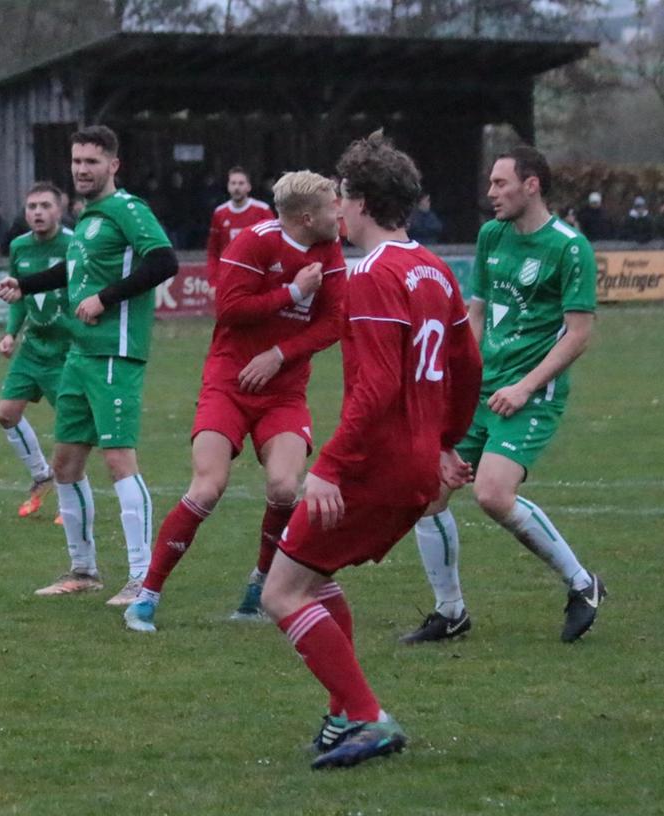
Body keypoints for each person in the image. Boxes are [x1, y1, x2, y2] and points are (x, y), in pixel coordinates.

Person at [259, 133, 482, 769]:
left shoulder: (374, 277)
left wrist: (327, 467)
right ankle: (340, 719)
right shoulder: (435, 270)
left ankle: (366, 716)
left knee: (281, 592)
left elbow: (378, 388)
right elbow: (468, 367)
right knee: (313, 575)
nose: (338, 206)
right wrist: (443, 445)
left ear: (357, 201)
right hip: (412, 461)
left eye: (340, 193)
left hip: (375, 462)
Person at [124, 171, 347, 633]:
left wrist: (279, 354)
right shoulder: (253, 241)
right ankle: (146, 596)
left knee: (285, 488)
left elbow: (333, 324)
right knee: (207, 486)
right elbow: (230, 308)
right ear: (307, 216)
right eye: (332, 205)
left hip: (283, 391)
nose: (340, 212)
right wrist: (293, 292)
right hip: (228, 383)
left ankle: (259, 585)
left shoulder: (330, 251)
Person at [403, 144, 605, 645]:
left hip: (532, 393)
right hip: (483, 389)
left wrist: (524, 386)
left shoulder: (568, 247)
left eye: (500, 183)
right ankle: (450, 612)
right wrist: (458, 379)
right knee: (428, 492)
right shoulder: (492, 236)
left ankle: (583, 585)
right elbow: (475, 313)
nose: (491, 193)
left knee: (492, 493)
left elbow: (579, 333)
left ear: (531, 184)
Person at [0, 125, 177, 606]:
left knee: (119, 460)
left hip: (115, 353)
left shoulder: (127, 210)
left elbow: (163, 262)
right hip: (79, 354)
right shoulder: (89, 217)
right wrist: (25, 286)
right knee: (66, 464)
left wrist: (105, 298)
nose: (81, 169)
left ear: (113, 165)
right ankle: (84, 570)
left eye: (91, 161)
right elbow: (72, 273)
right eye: (76, 161)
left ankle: (142, 577)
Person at [0, 182, 73, 521]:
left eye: (44, 205)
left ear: (59, 209)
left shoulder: (74, 245)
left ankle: (70, 500)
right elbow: (19, 296)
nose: (37, 212)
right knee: (6, 413)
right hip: (33, 348)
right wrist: (11, 333)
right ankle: (42, 474)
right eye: (31, 207)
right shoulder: (19, 247)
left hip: (66, 350)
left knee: (71, 428)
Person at [205, 167, 273, 286]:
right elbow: (213, 251)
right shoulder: (219, 213)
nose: (237, 187)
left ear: (249, 187)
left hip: (257, 276)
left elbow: (274, 246)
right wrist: (213, 282)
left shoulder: (263, 210)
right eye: (233, 183)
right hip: (228, 276)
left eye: (241, 183)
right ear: (228, 186)